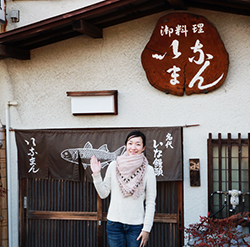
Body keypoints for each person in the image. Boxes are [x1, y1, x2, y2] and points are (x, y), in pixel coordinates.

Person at [90, 130, 157, 247]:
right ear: (126, 145)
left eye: (138, 144)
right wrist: (96, 174)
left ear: (143, 148)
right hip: (114, 225)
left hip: (136, 226)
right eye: (130, 143)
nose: (133, 147)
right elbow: (103, 193)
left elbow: (150, 202)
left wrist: (146, 229)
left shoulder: (148, 170)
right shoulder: (114, 166)